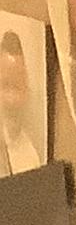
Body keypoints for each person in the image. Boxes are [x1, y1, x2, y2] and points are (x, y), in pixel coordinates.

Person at [0, 34, 41, 177]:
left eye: (16, 87)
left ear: (26, 92)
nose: (10, 99)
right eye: (5, 85)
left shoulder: (30, 158)